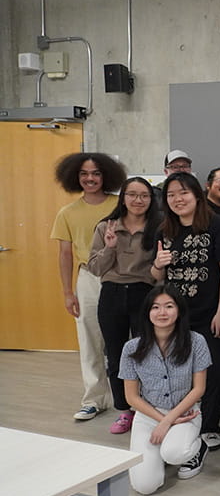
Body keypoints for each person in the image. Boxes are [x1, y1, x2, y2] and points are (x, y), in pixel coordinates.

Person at [151, 172, 220, 451]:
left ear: (197, 195)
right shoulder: (164, 231)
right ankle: (181, 420)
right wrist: (159, 264)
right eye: (171, 195)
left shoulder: (217, 226)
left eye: (183, 192)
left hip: (210, 313)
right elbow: (157, 277)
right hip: (176, 318)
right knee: (178, 372)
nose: (178, 199)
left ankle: (210, 426)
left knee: (214, 371)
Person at [51, 152, 126, 420]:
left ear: (106, 175)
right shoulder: (67, 213)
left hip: (122, 276)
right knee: (90, 339)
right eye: (84, 174)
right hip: (88, 279)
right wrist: (68, 292)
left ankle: (128, 400)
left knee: (125, 340)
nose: (90, 178)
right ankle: (94, 399)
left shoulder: (121, 204)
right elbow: (65, 255)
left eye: (95, 173)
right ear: (75, 177)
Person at [87, 177, 162, 434]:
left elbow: (159, 272)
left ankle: (149, 407)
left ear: (151, 200)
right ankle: (125, 410)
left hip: (145, 294)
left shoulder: (159, 226)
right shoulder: (106, 226)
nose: (138, 200)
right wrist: (109, 247)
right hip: (112, 293)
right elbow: (96, 268)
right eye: (132, 194)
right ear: (123, 197)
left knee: (146, 354)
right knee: (117, 355)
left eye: (144, 195)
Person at [120, 285, 210, 494]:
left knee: (174, 454)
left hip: (185, 412)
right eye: (156, 307)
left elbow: (199, 389)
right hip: (148, 414)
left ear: (179, 311)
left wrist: (169, 420)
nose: (162, 313)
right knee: (145, 486)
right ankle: (161, 450)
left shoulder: (196, 342)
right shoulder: (131, 348)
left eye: (169, 306)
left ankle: (197, 449)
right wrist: (162, 421)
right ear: (147, 312)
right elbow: (131, 397)